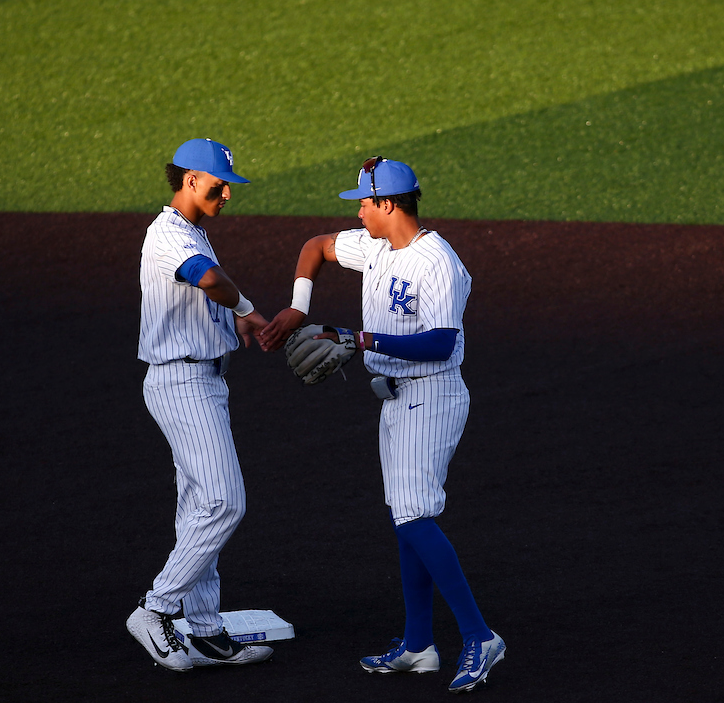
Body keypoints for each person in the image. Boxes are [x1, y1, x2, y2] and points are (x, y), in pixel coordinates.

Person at [259, 157, 505, 693]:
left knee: (415, 515)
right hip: (394, 400)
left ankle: (480, 637)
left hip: (432, 395)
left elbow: (442, 341)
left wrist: (362, 339)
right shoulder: (374, 247)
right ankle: (419, 646)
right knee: (404, 518)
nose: (359, 210)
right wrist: (300, 307)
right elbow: (316, 246)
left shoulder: (437, 262)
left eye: (365, 202)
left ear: (389, 204)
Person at [127, 138, 274, 671]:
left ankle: (207, 629)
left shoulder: (193, 232)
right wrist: (249, 309)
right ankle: (157, 608)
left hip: (204, 382)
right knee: (224, 501)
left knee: (198, 508)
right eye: (218, 183)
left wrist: (230, 321)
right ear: (189, 179)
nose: (228, 192)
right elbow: (208, 280)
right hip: (182, 383)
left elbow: (202, 295)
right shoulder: (168, 232)